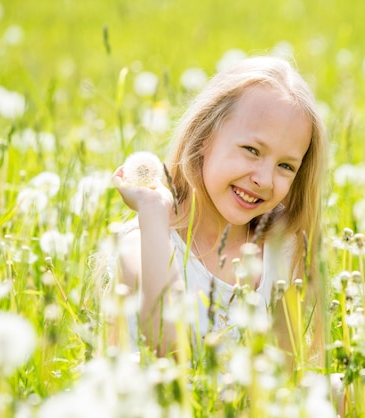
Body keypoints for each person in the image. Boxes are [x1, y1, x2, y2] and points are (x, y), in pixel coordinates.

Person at [109, 55, 326, 360]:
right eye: (252, 150)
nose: (263, 180)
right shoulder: (144, 242)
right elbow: (172, 352)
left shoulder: (282, 250)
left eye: (285, 166)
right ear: (204, 136)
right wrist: (153, 212)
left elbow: (285, 374)